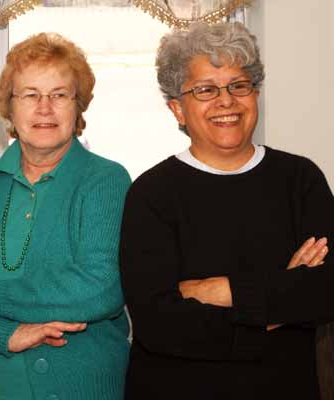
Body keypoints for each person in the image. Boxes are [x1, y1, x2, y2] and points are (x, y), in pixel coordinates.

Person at [119, 21, 334, 399]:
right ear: (177, 109)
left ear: (255, 94)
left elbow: (325, 290)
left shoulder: (301, 179)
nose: (226, 101)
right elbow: (159, 324)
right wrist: (278, 303)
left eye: (239, 85)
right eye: (205, 89)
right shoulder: (150, 194)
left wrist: (219, 290)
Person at [0, 32, 131, 400]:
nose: (45, 108)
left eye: (59, 95)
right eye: (31, 95)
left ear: (78, 105)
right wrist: (4, 334)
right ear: (10, 107)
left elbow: (100, 288)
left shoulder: (106, 181)